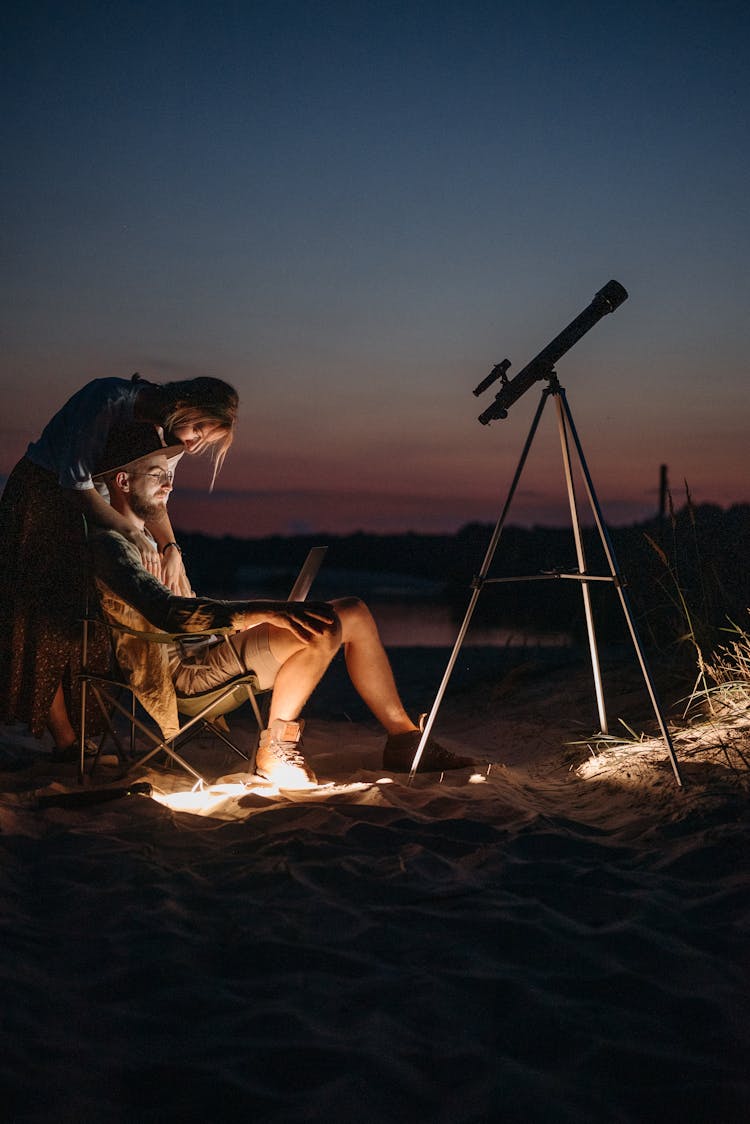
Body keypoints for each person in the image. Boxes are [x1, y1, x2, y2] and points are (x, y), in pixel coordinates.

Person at [87, 422, 478, 785]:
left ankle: (405, 740)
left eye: (170, 476)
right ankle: (276, 749)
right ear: (122, 480)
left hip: (208, 648)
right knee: (320, 626)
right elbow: (166, 613)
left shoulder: (153, 543)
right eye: (158, 475)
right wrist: (265, 612)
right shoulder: (112, 546)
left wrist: (257, 612)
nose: (169, 486)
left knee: (354, 612)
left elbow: (189, 610)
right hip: (183, 673)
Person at [0, 373, 238, 757]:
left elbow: (153, 497)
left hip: (94, 502)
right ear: (185, 404)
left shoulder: (166, 433)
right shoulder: (107, 402)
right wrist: (131, 532)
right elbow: (74, 484)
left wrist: (170, 545)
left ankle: (84, 731)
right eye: (198, 430)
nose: (193, 445)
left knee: (93, 616)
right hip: (43, 495)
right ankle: (65, 741)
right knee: (47, 616)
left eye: (204, 441)